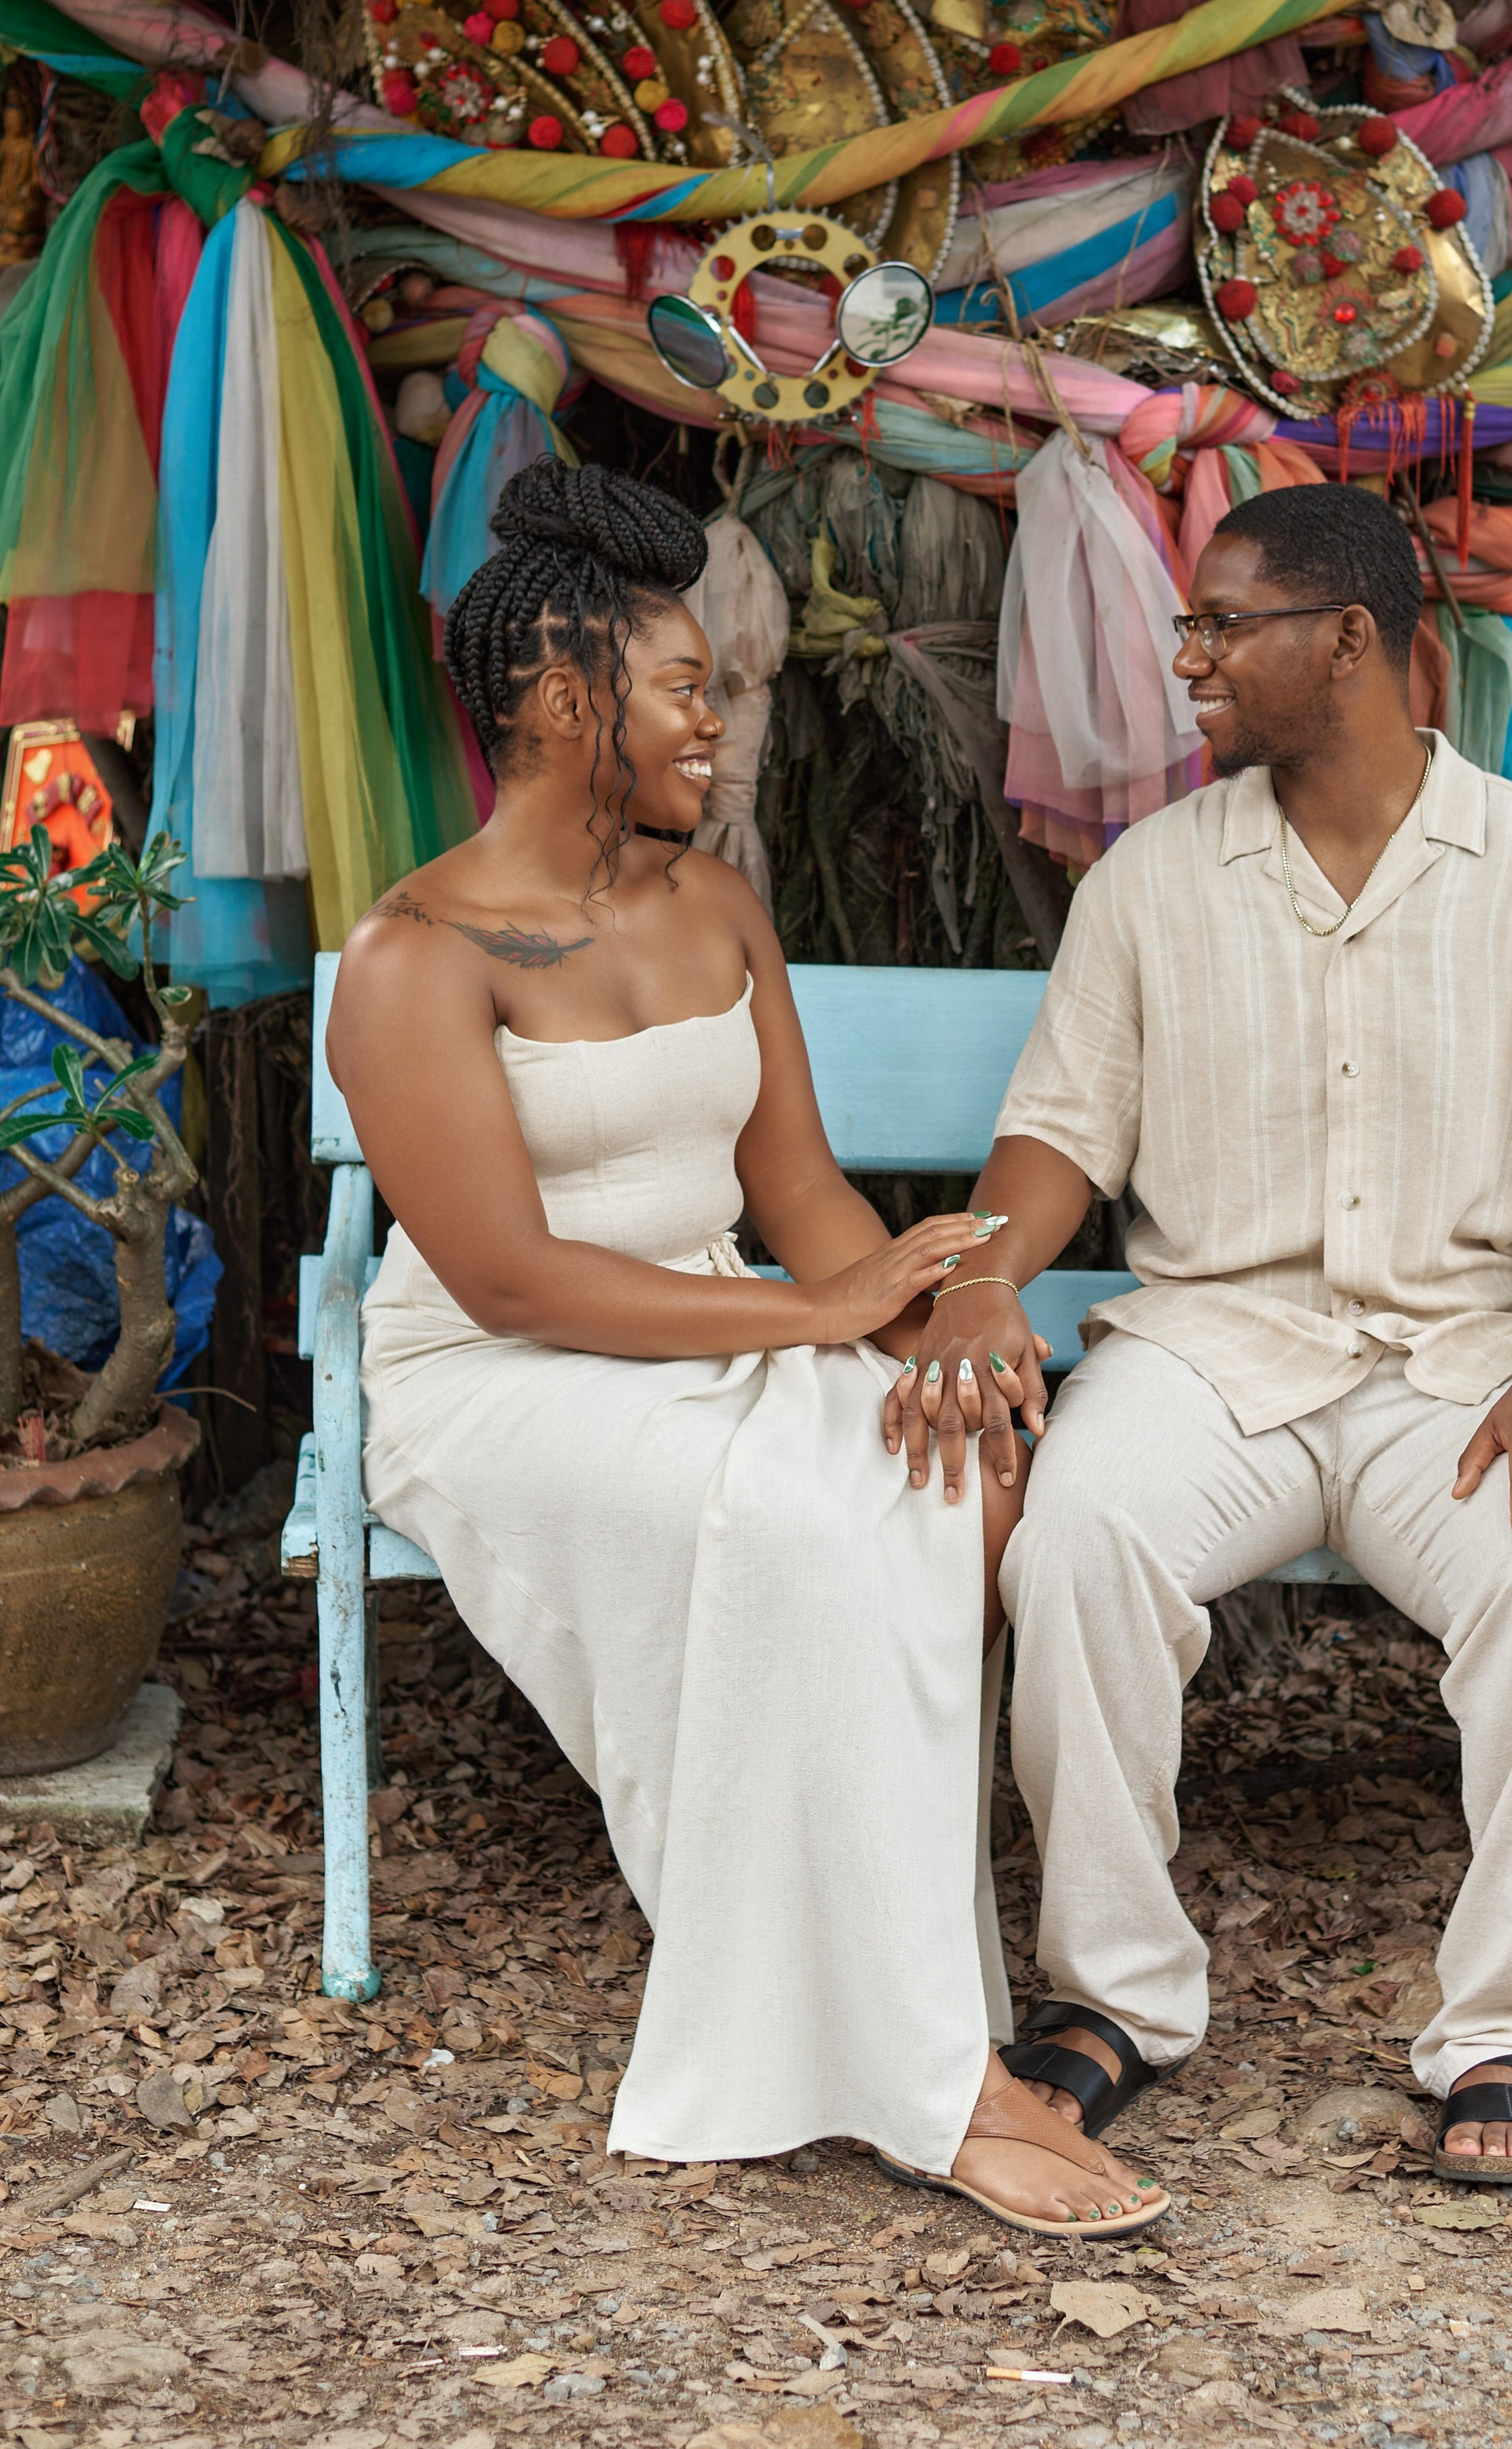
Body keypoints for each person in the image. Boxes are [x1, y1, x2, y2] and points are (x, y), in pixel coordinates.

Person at [327, 461, 1167, 2238]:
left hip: (715, 1316)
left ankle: (882, 2003)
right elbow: (509, 1282)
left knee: (938, 1480)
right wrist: (815, 1324)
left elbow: (800, 1195)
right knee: (798, 1527)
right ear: (565, 704)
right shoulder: (416, 956)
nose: (718, 719)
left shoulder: (713, 905)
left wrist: (925, 1324)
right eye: (686, 686)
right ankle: (939, 2078)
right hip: (504, 1378)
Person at [889, 481, 1512, 2187]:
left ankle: (1508, 2027)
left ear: (1346, 640)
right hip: (1215, 1351)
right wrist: (981, 1270)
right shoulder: (1149, 881)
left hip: (1462, 1370)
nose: (1181, 654)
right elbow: (1061, 1130)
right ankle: (1112, 1998)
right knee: (1079, 1543)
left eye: (1217, 624)